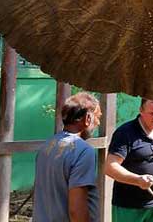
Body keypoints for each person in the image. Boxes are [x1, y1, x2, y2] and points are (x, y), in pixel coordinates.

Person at [33, 92, 102, 222]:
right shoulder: (83, 151)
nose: (98, 122)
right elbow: (76, 210)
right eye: (97, 117)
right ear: (88, 118)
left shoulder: (48, 145)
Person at [105, 98, 153, 222]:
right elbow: (110, 167)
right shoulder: (125, 133)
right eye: (152, 113)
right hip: (129, 207)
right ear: (141, 110)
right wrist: (137, 180)